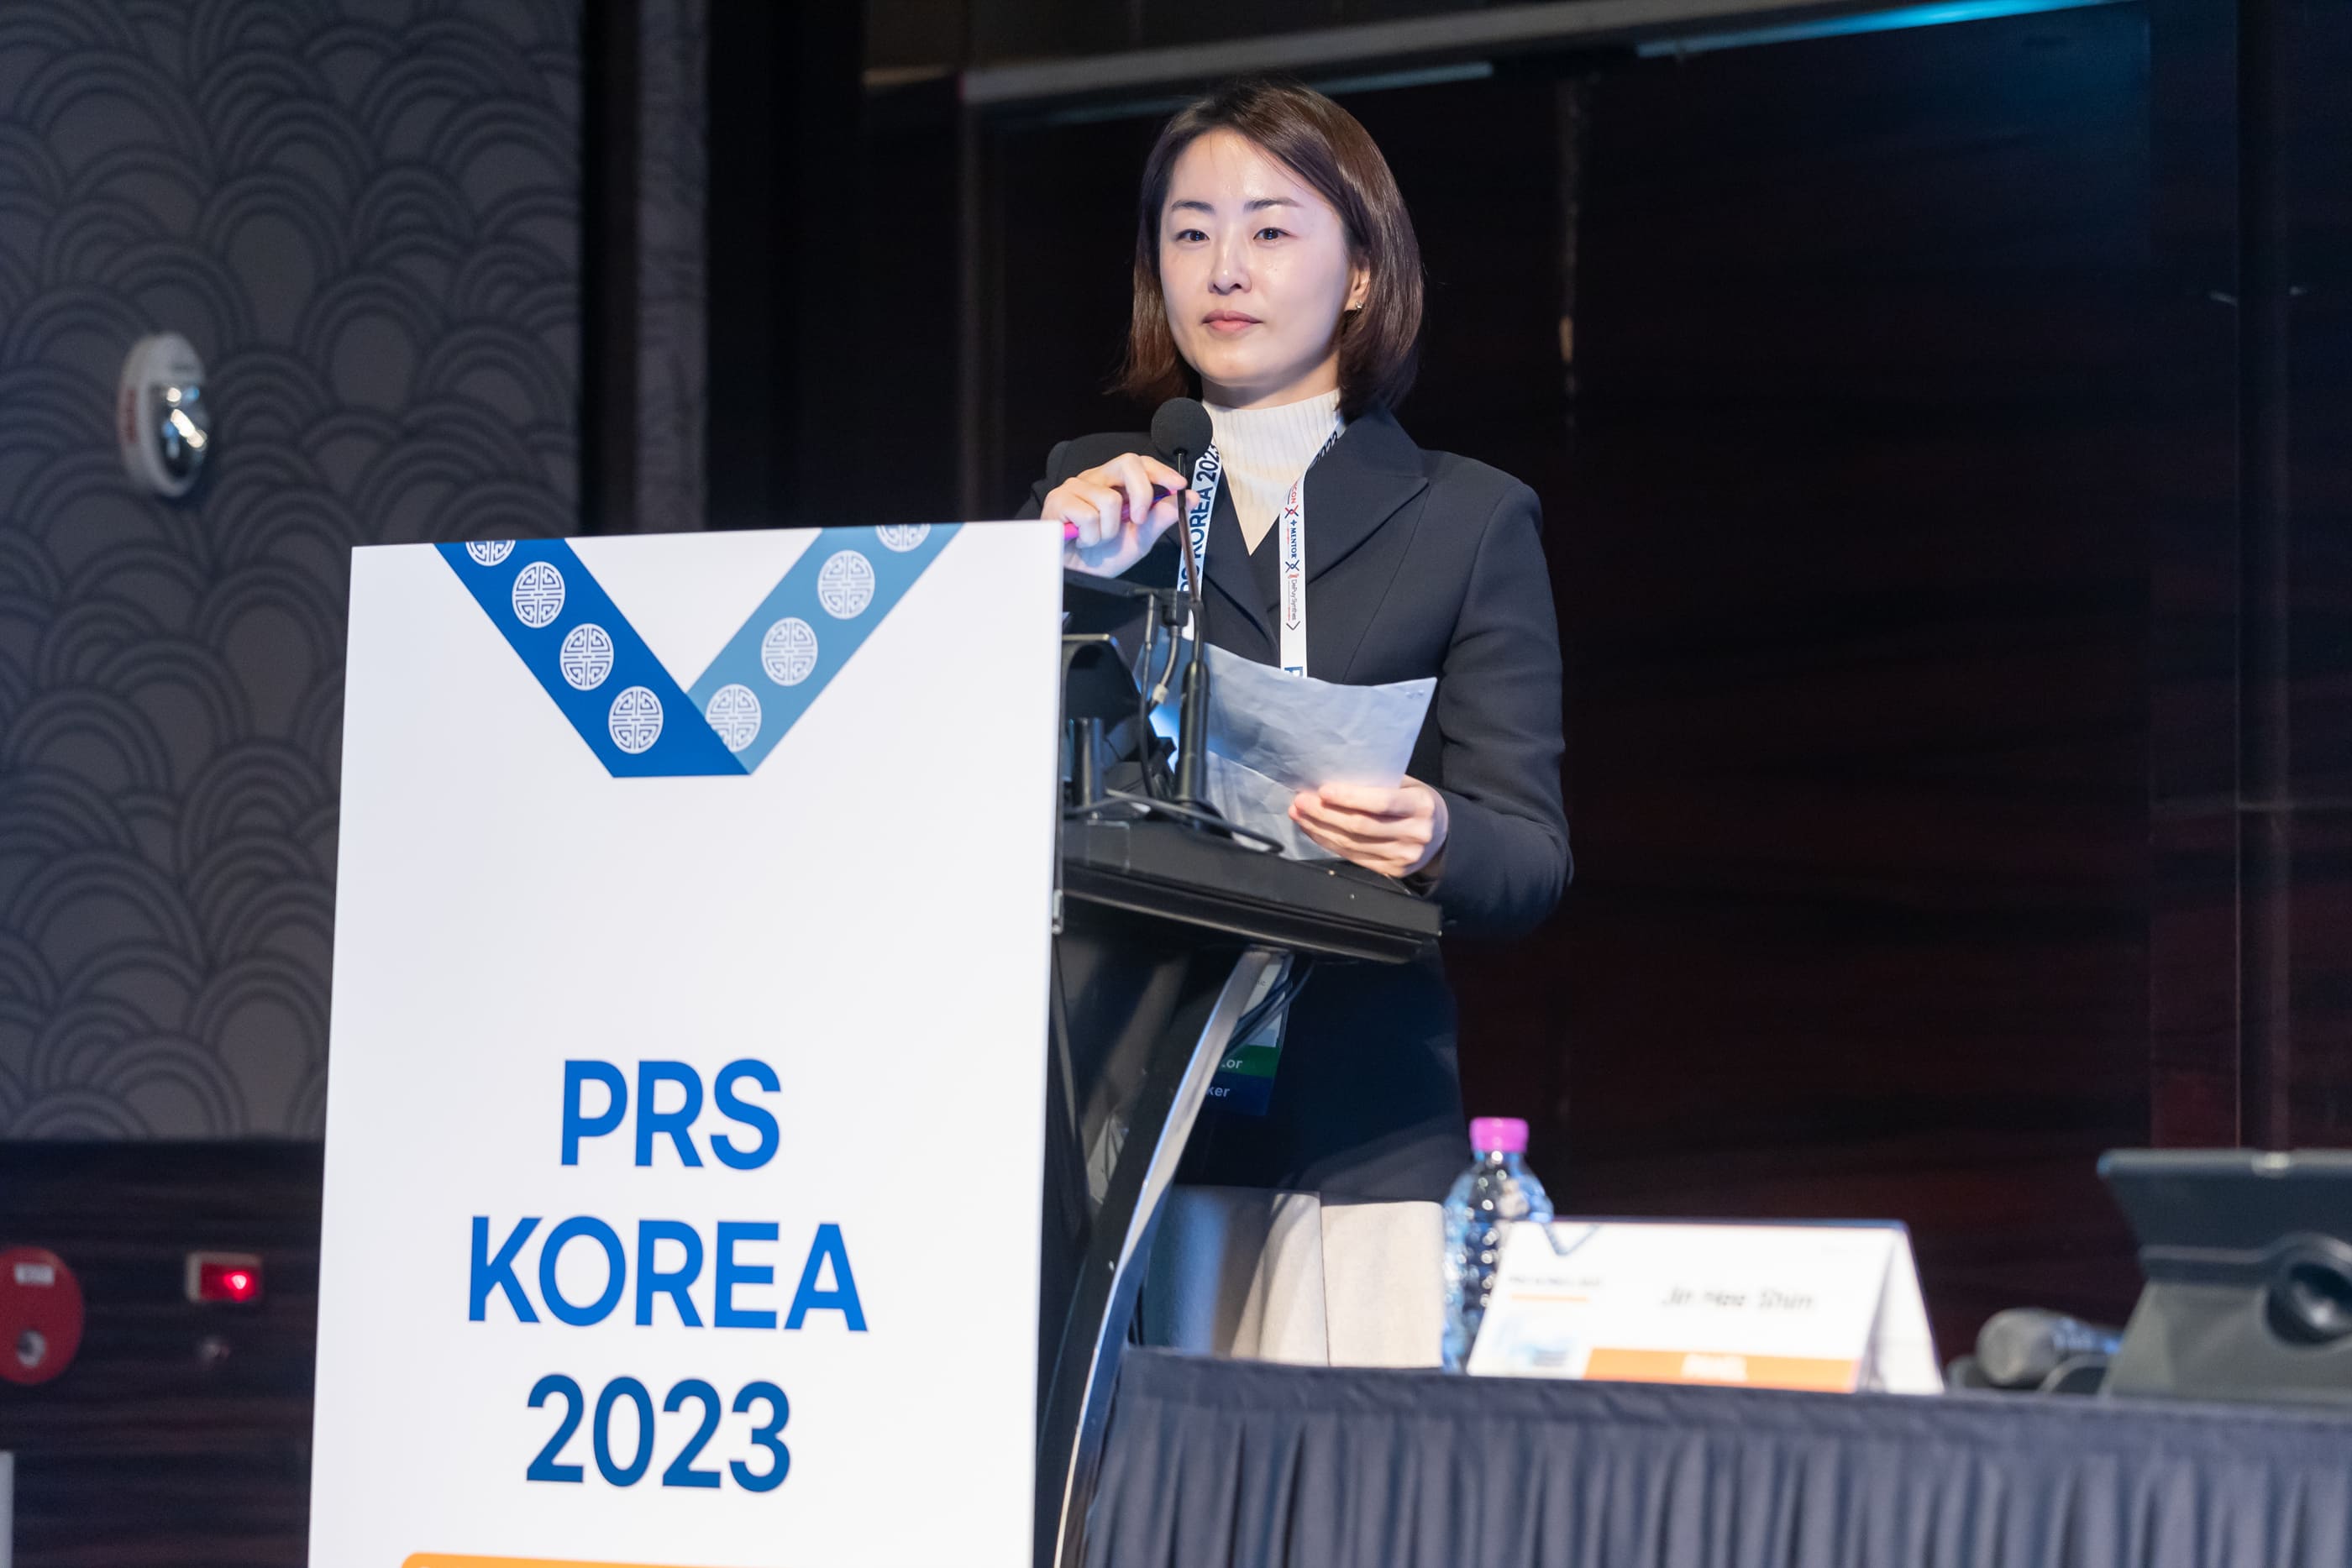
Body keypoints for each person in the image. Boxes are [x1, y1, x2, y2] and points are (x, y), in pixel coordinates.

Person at [1023, 79, 1569, 1201]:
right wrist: (1052, 582)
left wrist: (1435, 833)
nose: (1225, 269)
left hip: (1353, 1116)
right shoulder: (1095, 494)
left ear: (1362, 270)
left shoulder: (1467, 517)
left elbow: (1531, 858)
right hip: (1112, 1095)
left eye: (1270, 231)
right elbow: (975, 783)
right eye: (1190, 234)